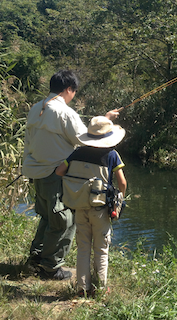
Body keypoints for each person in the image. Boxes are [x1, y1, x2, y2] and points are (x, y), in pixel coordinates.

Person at [22, 70, 118, 280]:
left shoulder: (36, 108)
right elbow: (86, 140)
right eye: (74, 91)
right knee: (63, 220)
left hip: (36, 171)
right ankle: (50, 267)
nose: (73, 95)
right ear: (68, 89)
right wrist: (107, 120)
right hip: (56, 173)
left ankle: (37, 257)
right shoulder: (65, 113)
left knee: (48, 216)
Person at [55, 116, 127, 297]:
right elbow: (123, 183)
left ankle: (82, 288)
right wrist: (119, 199)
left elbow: (59, 171)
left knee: (83, 247)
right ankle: (101, 289)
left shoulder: (77, 152)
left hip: (80, 208)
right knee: (101, 249)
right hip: (100, 209)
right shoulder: (111, 155)